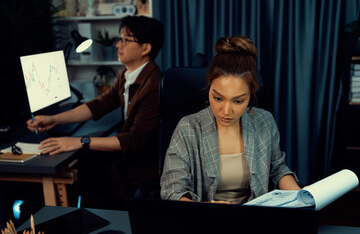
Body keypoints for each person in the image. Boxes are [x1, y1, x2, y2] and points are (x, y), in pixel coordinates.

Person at [27, 15, 164, 209]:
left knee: (84, 163)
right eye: (120, 38)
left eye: (126, 39)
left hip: (140, 165)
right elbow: (99, 105)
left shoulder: (153, 86)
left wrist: (79, 141)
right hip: (129, 155)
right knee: (82, 159)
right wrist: (54, 119)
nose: (118, 45)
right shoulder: (127, 75)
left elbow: (133, 140)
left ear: (146, 48)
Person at [160, 35, 300, 204]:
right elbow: (173, 190)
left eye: (238, 101)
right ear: (209, 87)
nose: (226, 111)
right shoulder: (188, 128)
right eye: (218, 98)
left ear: (251, 95)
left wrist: (301, 197)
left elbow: (277, 169)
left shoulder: (264, 121)